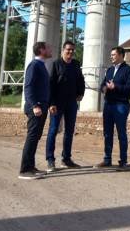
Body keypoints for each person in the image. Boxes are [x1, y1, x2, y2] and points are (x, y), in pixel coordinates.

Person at [45, 40, 86, 172]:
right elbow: (50, 84)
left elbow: (80, 79)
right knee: (53, 130)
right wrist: (51, 103)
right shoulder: (56, 64)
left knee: (69, 131)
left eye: (72, 50)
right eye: (68, 49)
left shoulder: (75, 64)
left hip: (71, 103)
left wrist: (81, 93)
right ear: (63, 50)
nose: (70, 52)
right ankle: (50, 160)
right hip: (57, 103)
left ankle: (66, 159)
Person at [95, 46, 130, 169]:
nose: (111, 56)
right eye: (111, 54)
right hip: (108, 104)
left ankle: (123, 161)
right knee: (107, 133)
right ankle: (107, 159)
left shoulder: (128, 70)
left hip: (121, 104)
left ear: (121, 55)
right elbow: (102, 84)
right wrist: (104, 88)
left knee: (121, 133)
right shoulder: (110, 70)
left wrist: (115, 87)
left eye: (113, 54)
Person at [19, 41, 52, 180]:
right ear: (42, 50)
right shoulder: (34, 65)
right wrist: (35, 106)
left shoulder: (41, 65)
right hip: (36, 108)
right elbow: (28, 87)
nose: (51, 50)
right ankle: (25, 170)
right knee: (32, 137)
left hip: (42, 107)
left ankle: (31, 167)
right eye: (48, 48)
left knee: (36, 137)